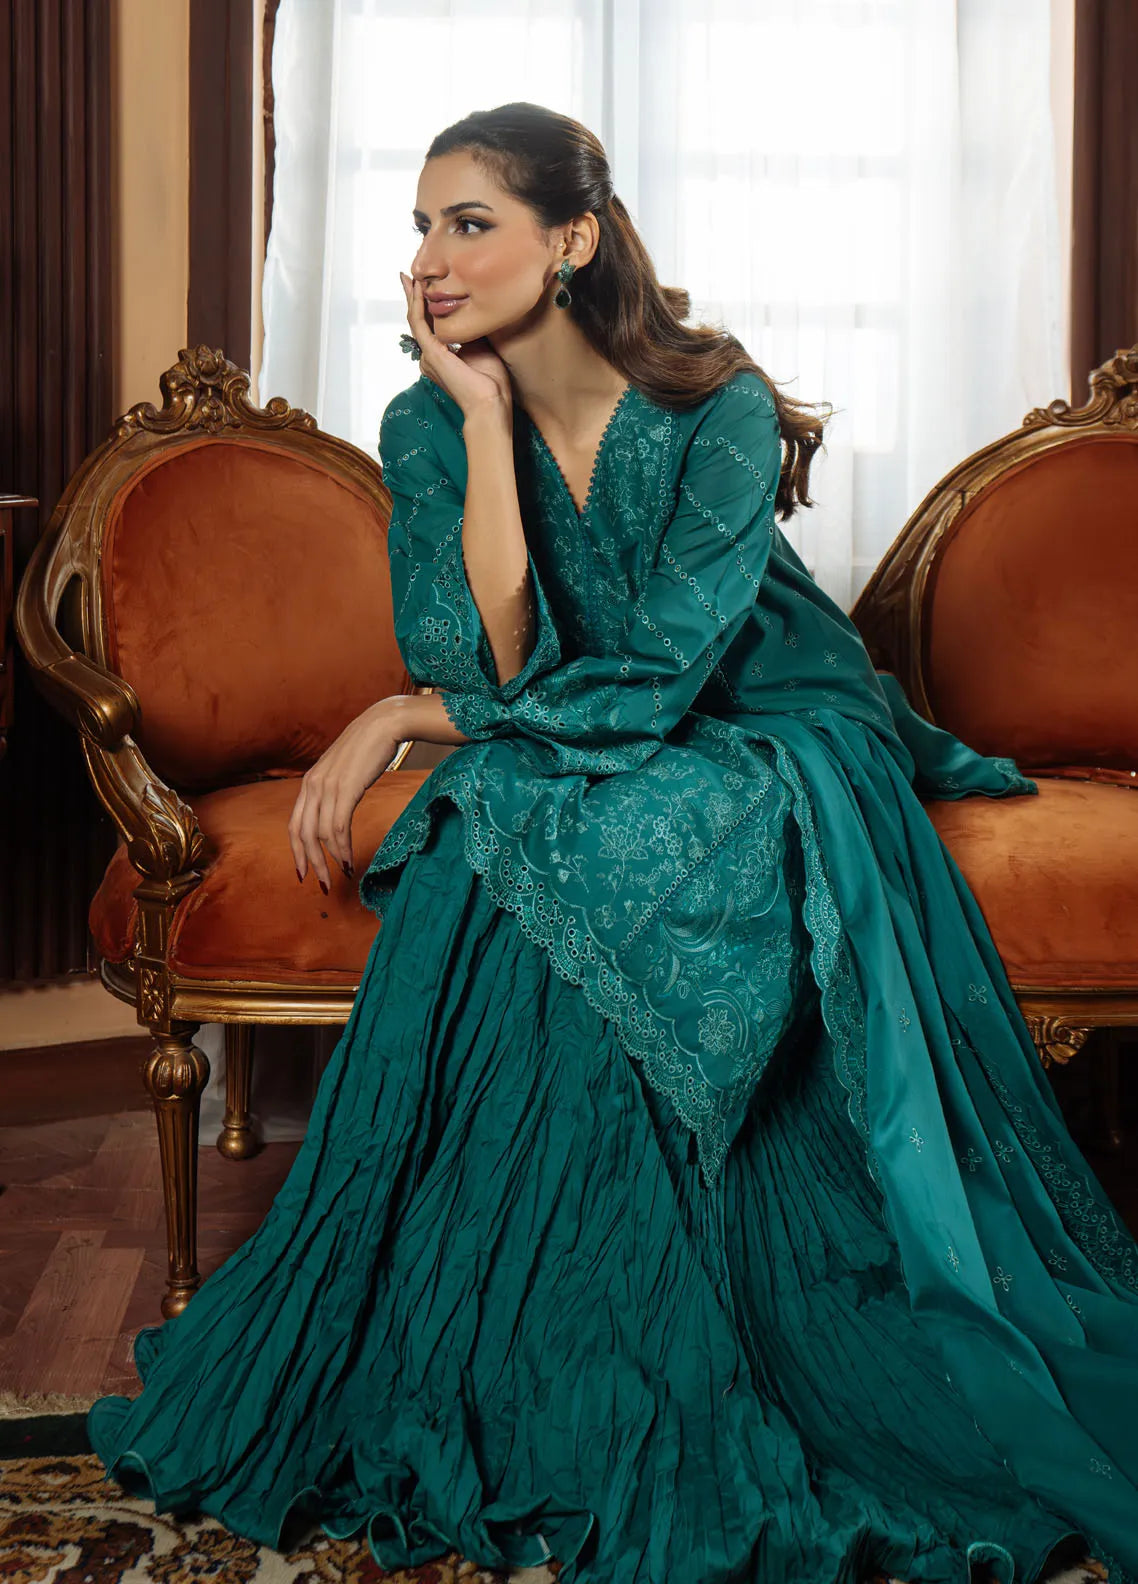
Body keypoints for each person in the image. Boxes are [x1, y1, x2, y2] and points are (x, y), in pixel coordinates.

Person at [86, 102, 1138, 1584]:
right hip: (572, 718)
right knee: (494, 830)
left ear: (572, 238)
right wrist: (483, 428)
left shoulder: (715, 405)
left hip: (769, 715)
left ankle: (710, 1299)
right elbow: (493, 665)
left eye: (470, 223)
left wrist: (401, 716)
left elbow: (659, 674)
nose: (429, 259)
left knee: (594, 809)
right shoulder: (425, 425)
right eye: (420, 226)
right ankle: (542, 1321)